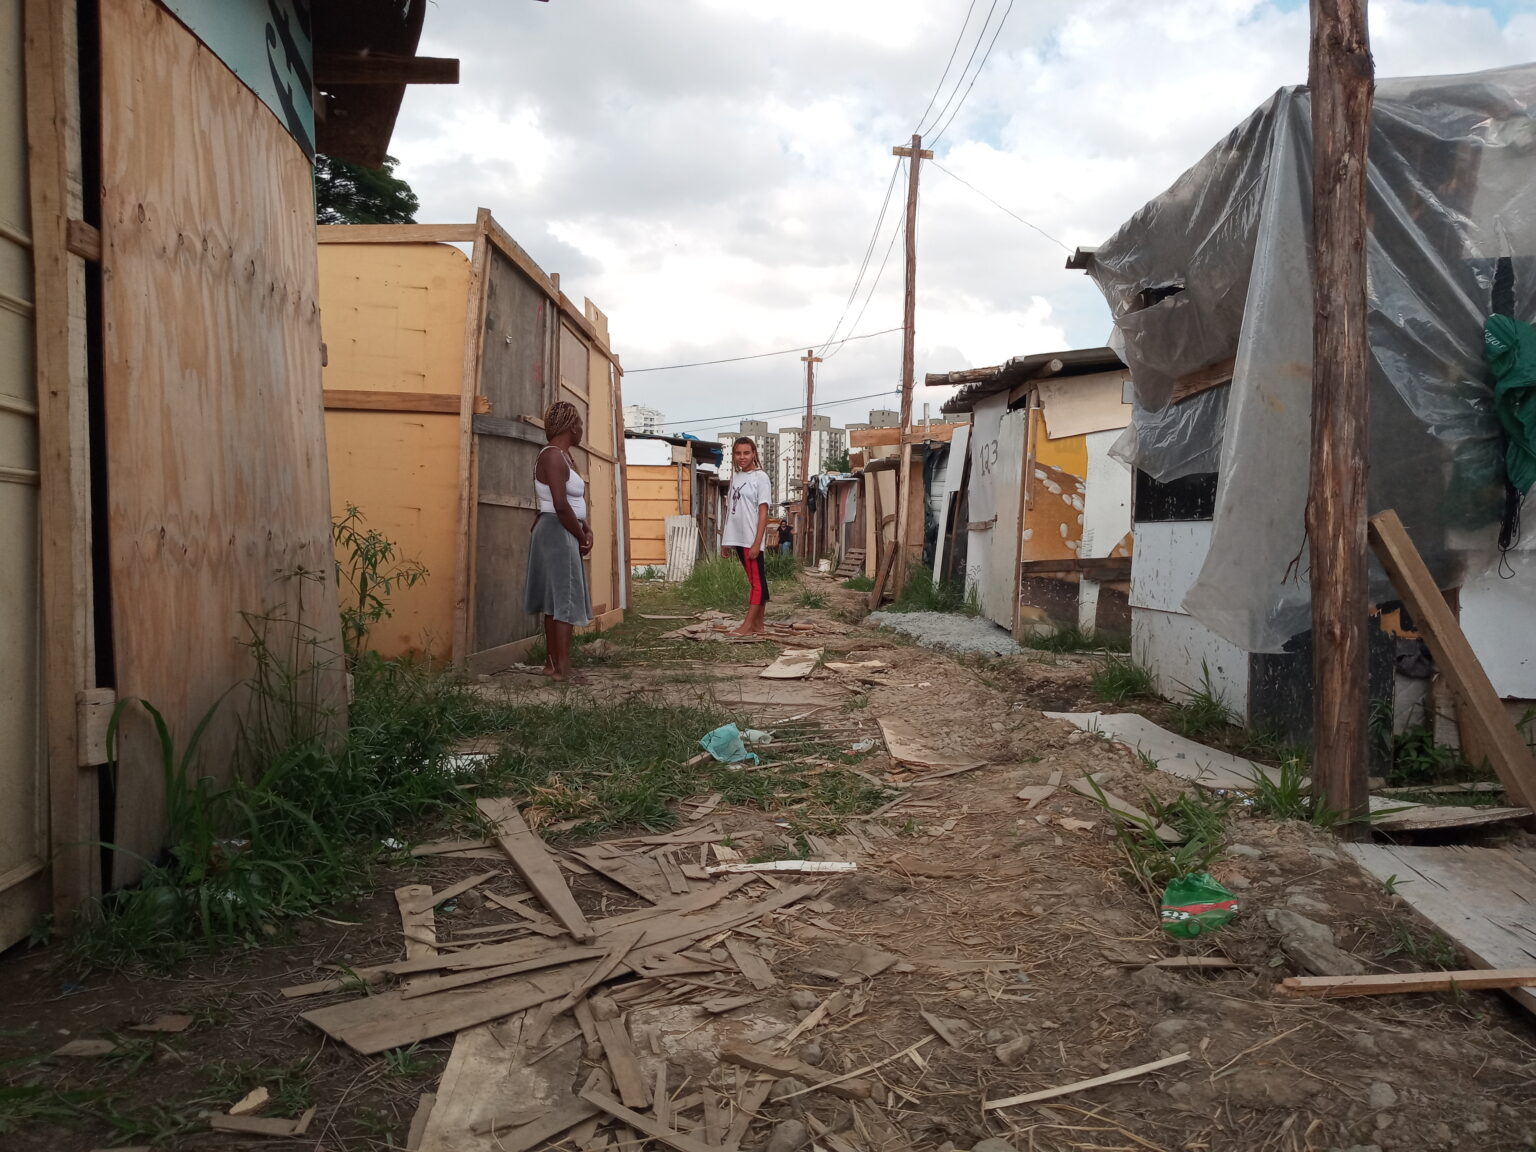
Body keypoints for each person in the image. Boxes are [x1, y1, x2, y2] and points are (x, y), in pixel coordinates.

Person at [524, 401, 593, 682]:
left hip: (562, 528)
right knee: (563, 599)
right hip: (556, 530)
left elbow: (574, 503)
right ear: (568, 426)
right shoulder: (552, 456)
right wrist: (579, 536)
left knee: (555, 601)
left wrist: (586, 527)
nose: (581, 429)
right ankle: (563, 669)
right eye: (578, 424)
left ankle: (552, 664)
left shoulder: (564, 457)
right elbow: (560, 504)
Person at [723, 436, 771, 636]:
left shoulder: (760, 477)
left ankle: (748, 625)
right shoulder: (735, 477)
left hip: (751, 538)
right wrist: (725, 541)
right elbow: (729, 511)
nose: (742, 457)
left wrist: (757, 542)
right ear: (733, 455)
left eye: (746, 453)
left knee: (757, 584)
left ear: (754, 454)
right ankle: (758, 625)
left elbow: (763, 512)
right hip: (736, 537)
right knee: (755, 582)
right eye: (738, 453)